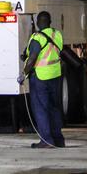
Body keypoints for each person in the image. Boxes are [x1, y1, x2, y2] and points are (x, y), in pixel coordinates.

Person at [20, 10, 65, 148]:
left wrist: (23, 74)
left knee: (40, 109)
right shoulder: (57, 34)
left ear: (38, 23)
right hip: (55, 76)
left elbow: (32, 58)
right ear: (50, 22)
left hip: (40, 78)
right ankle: (58, 140)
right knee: (54, 108)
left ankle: (46, 140)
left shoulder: (37, 37)